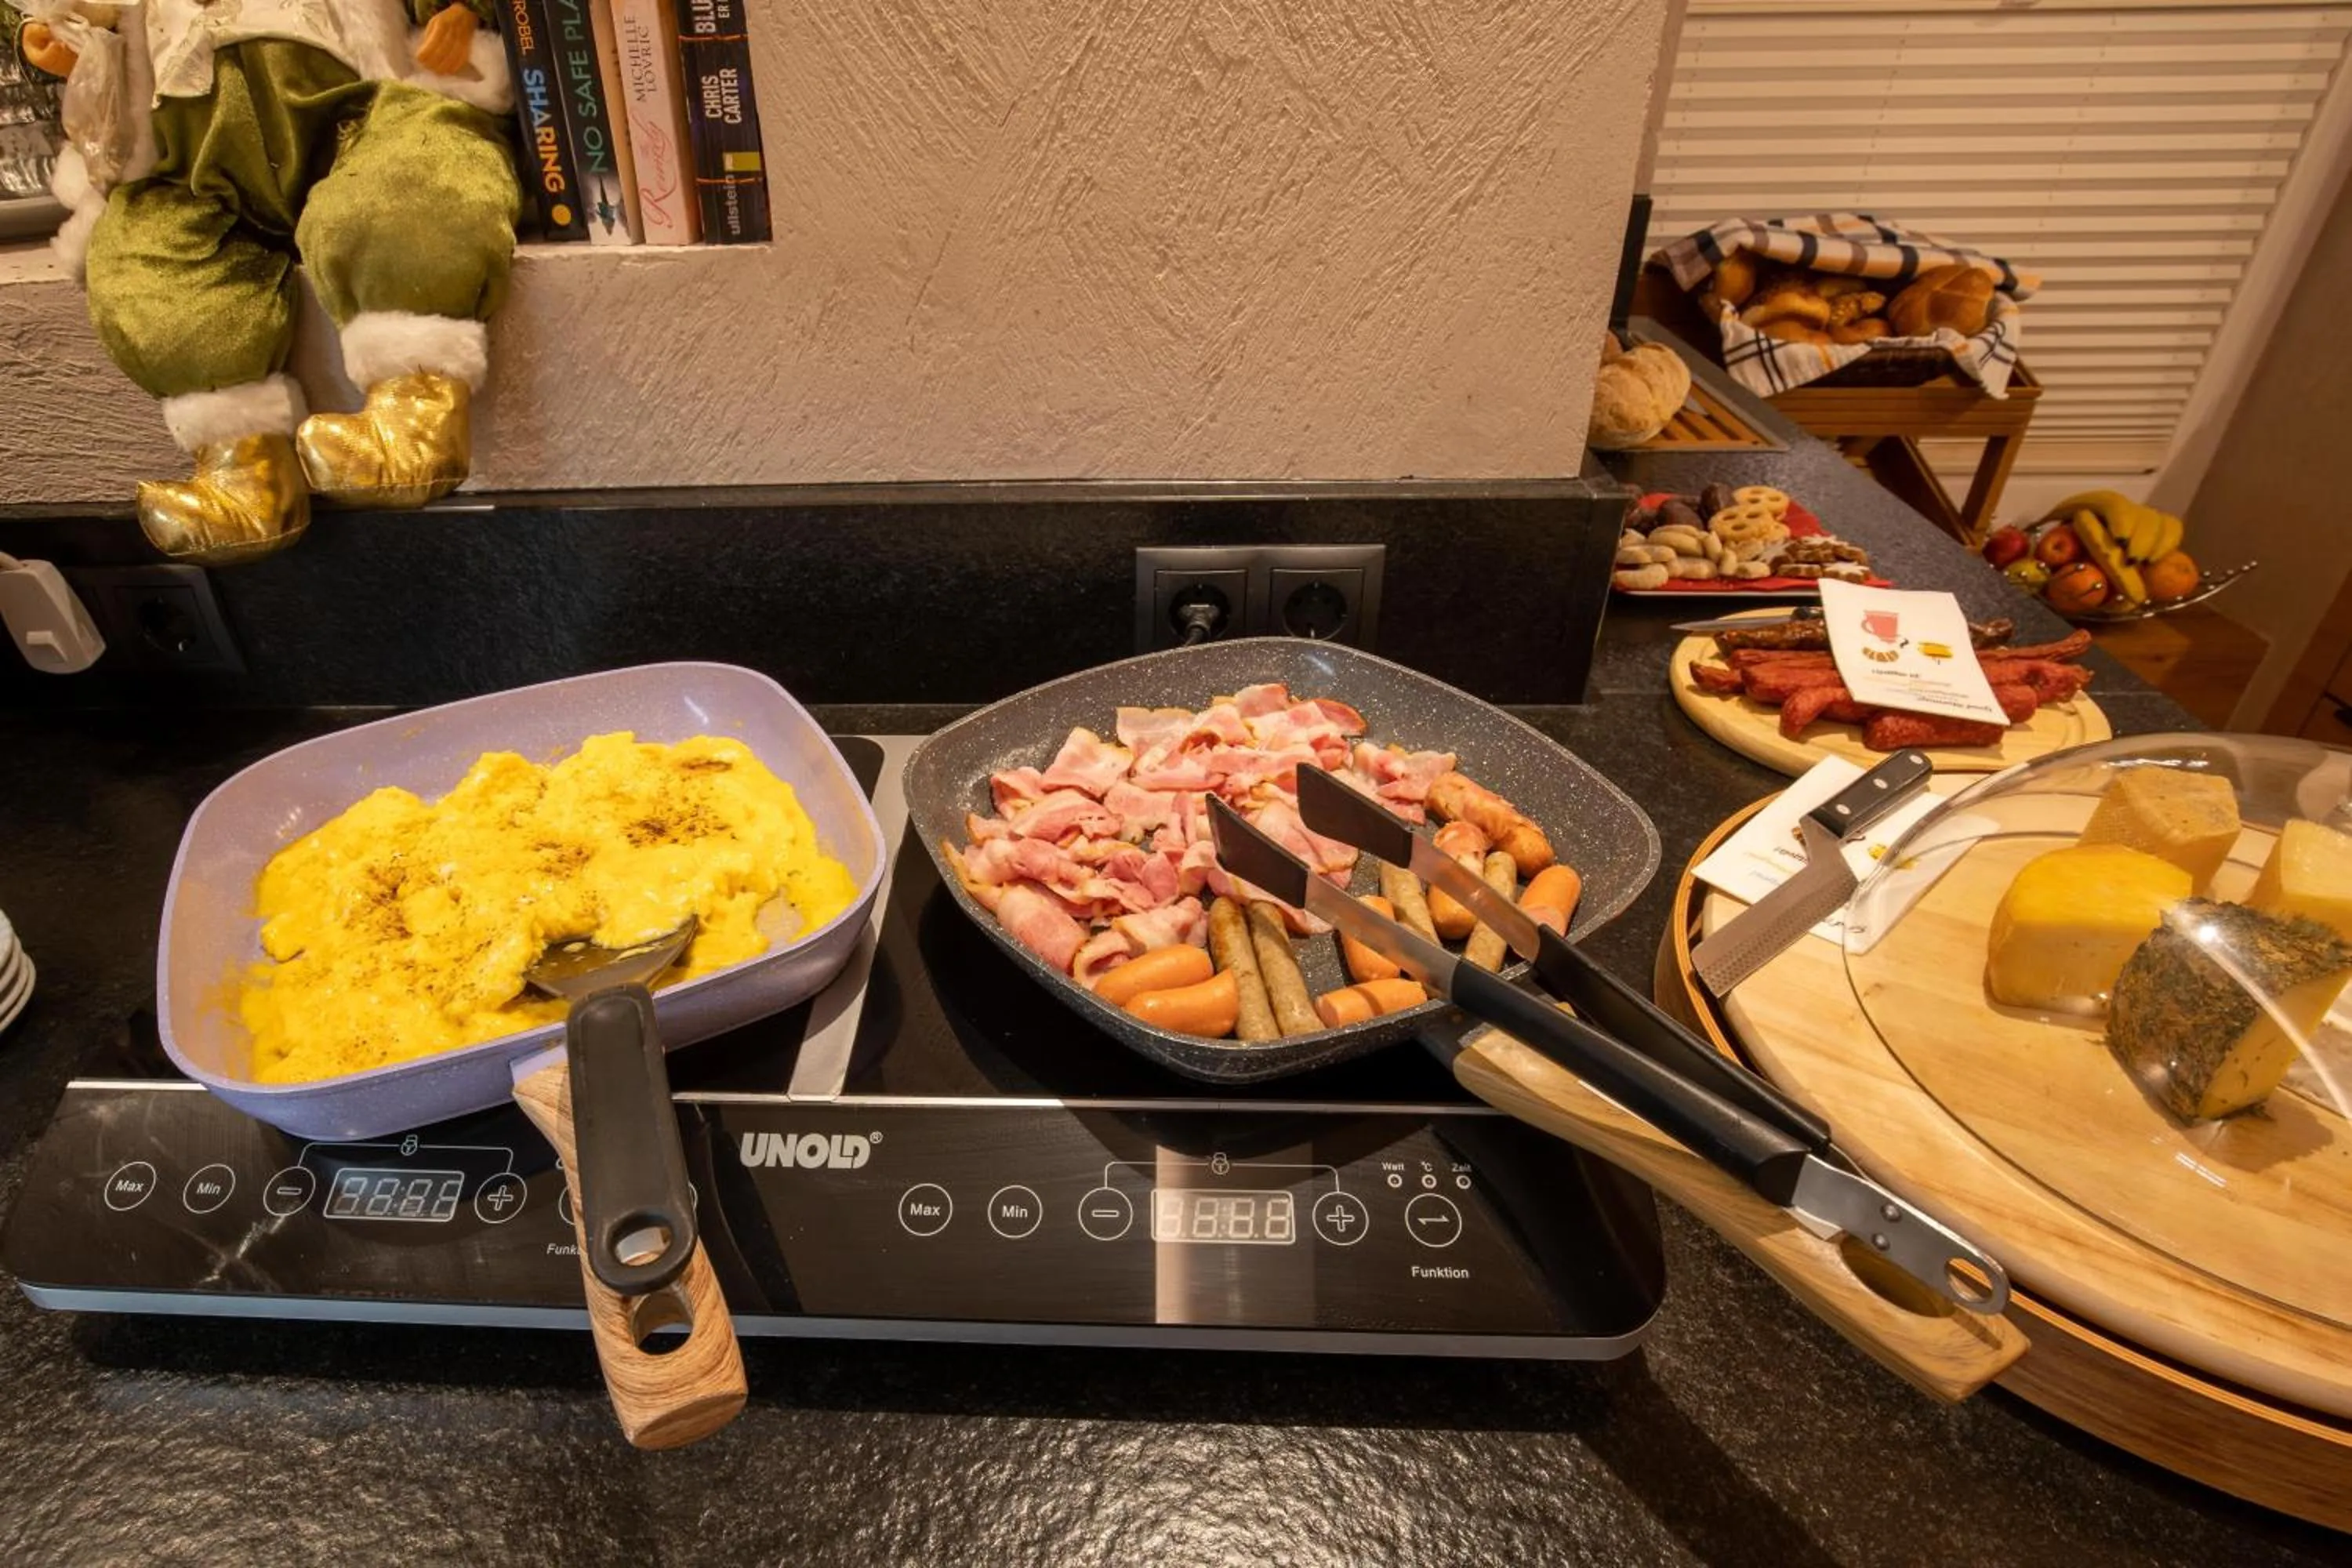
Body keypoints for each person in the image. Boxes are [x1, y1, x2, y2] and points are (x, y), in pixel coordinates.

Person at [15, 0, 519, 564]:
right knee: (145, 260)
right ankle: (246, 469)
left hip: (356, 111)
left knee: (411, 178)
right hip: (190, 166)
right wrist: (58, 37)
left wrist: (458, 10)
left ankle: (417, 408)